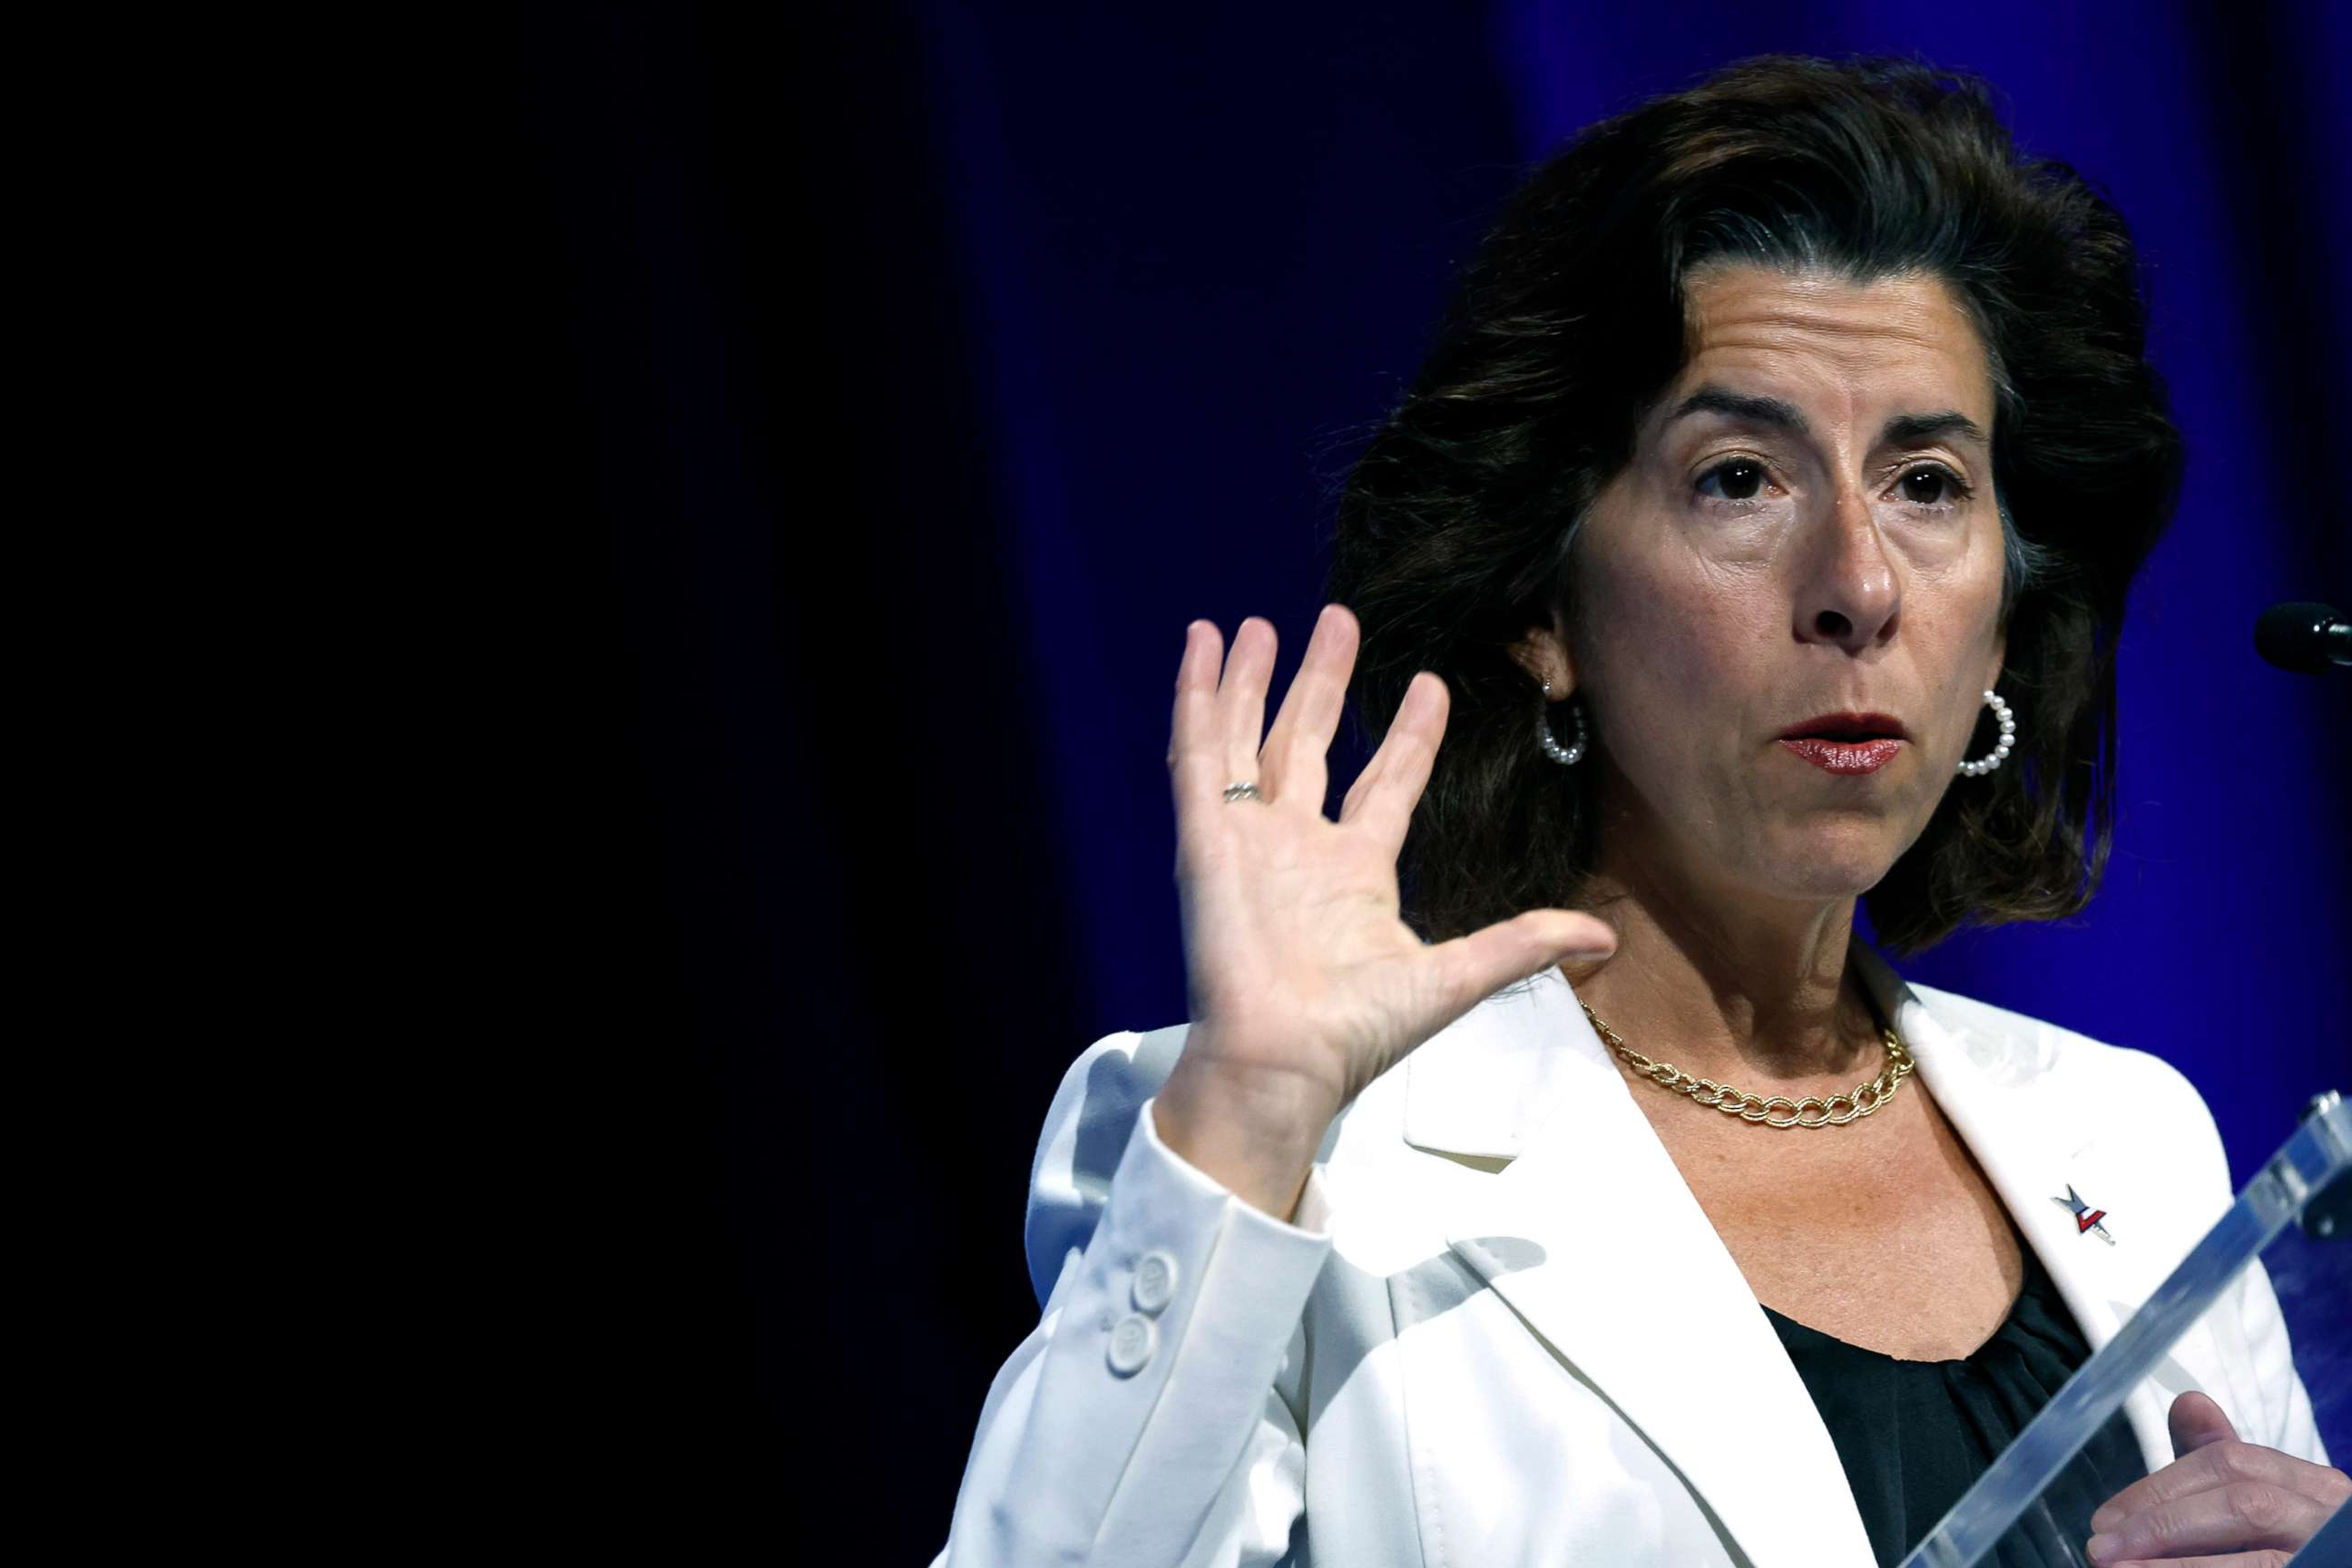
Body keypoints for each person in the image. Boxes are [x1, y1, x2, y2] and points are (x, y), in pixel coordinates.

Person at [930, 54, 2344, 1568]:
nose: (1861, 587)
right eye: (1741, 478)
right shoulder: (1302, 1161)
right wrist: (1251, 1115)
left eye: (1929, 483)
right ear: (1547, 610)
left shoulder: (2136, 1142)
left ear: (2004, 616)